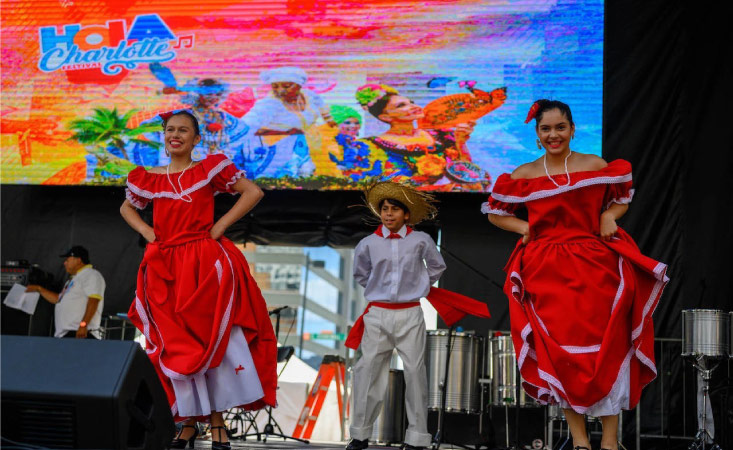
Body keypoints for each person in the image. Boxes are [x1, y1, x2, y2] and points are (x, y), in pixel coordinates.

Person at [484, 99, 669, 450]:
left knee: (605, 349)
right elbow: (496, 212)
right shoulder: (524, 174)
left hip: (595, 265)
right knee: (562, 355)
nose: (553, 134)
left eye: (560, 127)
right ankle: (580, 441)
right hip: (546, 270)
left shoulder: (594, 165)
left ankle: (611, 443)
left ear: (571, 129)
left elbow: (621, 199)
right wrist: (524, 226)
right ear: (536, 134)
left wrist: (609, 216)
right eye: (545, 129)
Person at [120, 110, 276, 450]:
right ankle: (189, 421)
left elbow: (252, 192)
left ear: (195, 138)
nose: (175, 135)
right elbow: (126, 208)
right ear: (164, 135)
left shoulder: (208, 169)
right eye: (170, 130)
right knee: (176, 345)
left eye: (184, 130)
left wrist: (218, 228)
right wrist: (149, 233)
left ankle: (216, 422)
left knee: (210, 343)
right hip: (164, 266)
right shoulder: (149, 178)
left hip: (204, 264)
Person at [345, 181, 444, 450]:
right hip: (377, 313)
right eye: (385, 209)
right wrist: (381, 291)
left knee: (415, 373)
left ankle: (417, 437)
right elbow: (361, 275)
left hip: (410, 312)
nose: (389, 214)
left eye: (394, 210)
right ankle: (360, 434)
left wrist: (419, 285)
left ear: (406, 214)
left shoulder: (420, 240)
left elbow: (437, 267)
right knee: (368, 371)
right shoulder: (368, 243)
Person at [354, 83, 480, 190]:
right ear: (385, 117)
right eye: (401, 105)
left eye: (411, 102)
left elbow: (467, 172)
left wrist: (461, 142)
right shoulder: (372, 146)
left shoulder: (442, 135)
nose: (414, 106)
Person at [240, 66, 338, 178]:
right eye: (275, 86)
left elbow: (320, 104)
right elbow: (244, 126)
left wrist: (329, 119)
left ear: (299, 85)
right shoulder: (267, 105)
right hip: (279, 150)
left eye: (286, 86)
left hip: (310, 144)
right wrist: (285, 133)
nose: (280, 90)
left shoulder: (309, 96)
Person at [26, 245, 105, 339]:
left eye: (68, 260)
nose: (64, 263)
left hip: (79, 333)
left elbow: (94, 300)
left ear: (78, 260)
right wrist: (39, 289)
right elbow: (58, 299)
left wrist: (83, 325)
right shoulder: (73, 279)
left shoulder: (91, 275)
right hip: (66, 334)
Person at [322, 104, 382, 181]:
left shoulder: (363, 144)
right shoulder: (330, 144)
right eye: (347, 123)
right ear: (336, 124)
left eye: (356, 123)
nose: (353, 126)